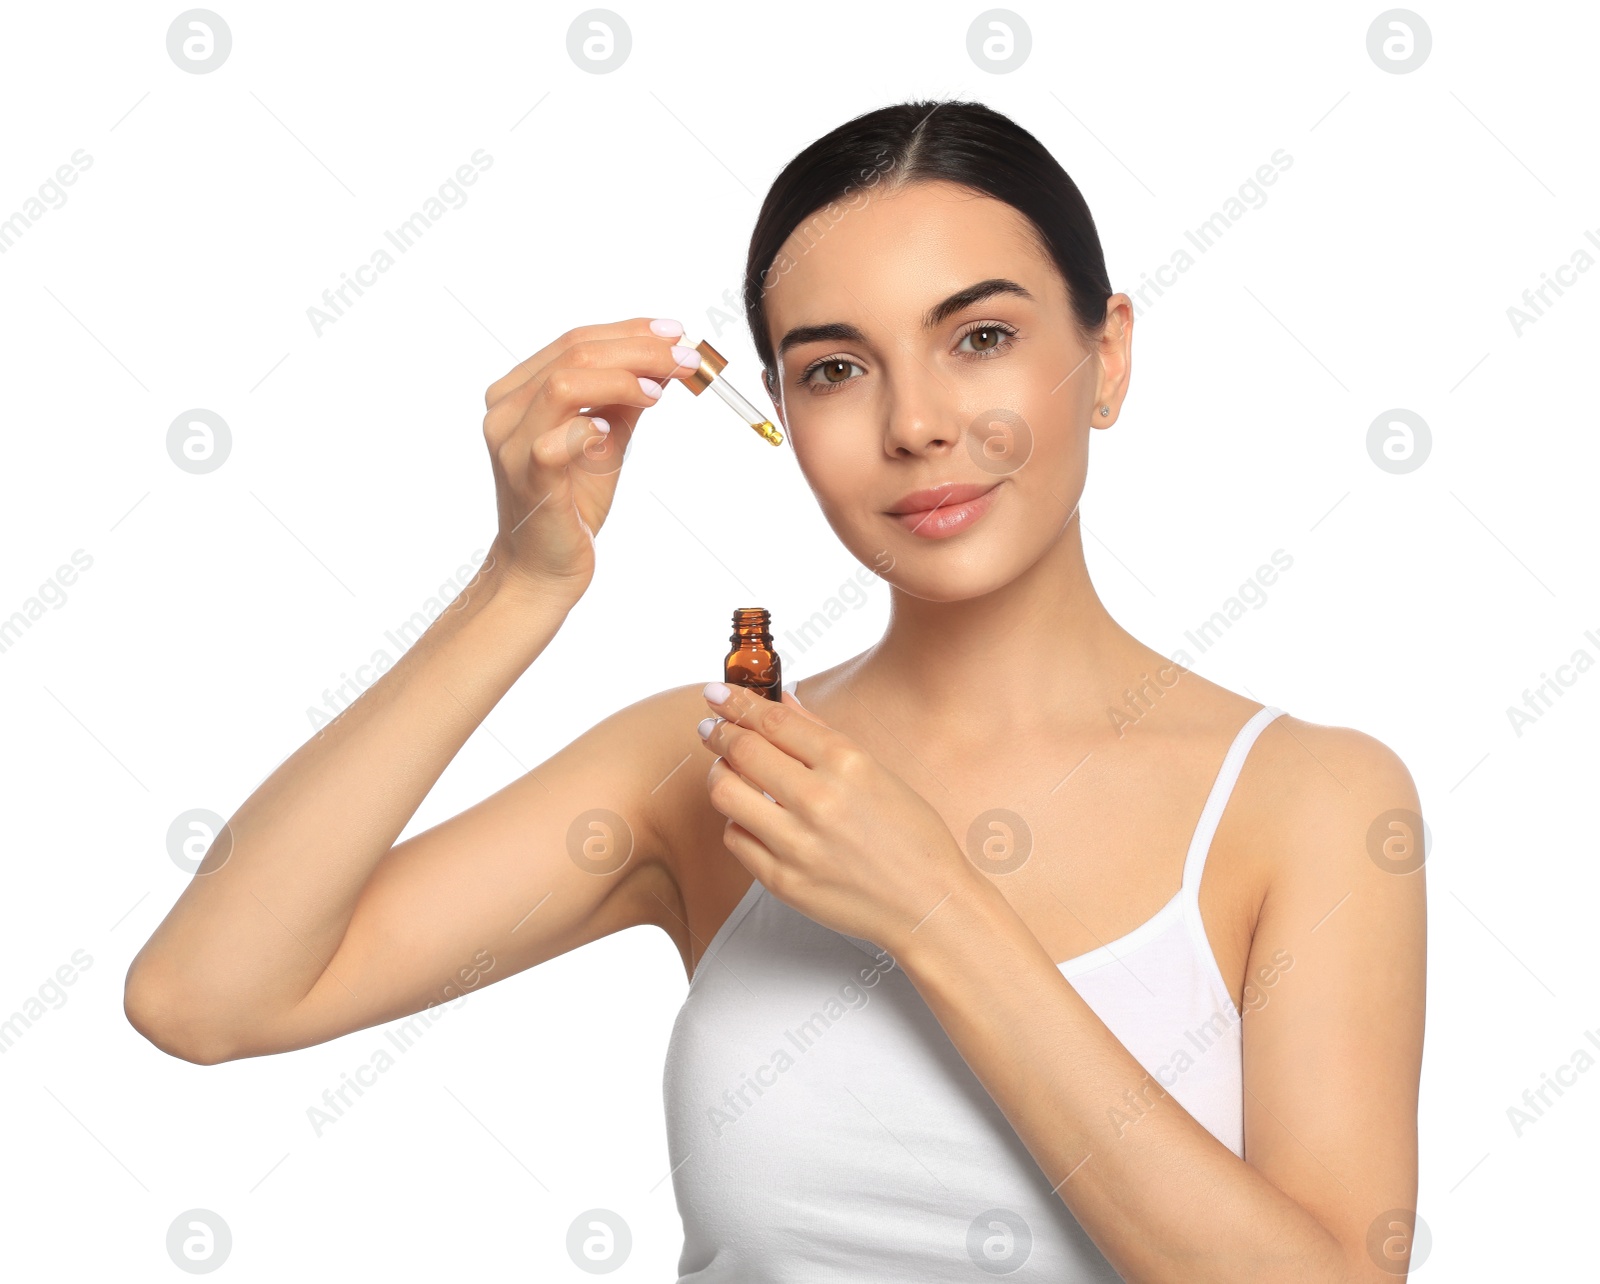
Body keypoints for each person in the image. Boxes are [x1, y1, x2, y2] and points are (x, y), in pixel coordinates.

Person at [125, 99, 1425, 1281]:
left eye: (979, 336)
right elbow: (207, 997)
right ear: (786, 416)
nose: (914, 422)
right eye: (836, 368)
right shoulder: (716, 766)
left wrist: (934, 908)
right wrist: (519, 587)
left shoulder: (1310, 800)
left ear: (1109, 354)